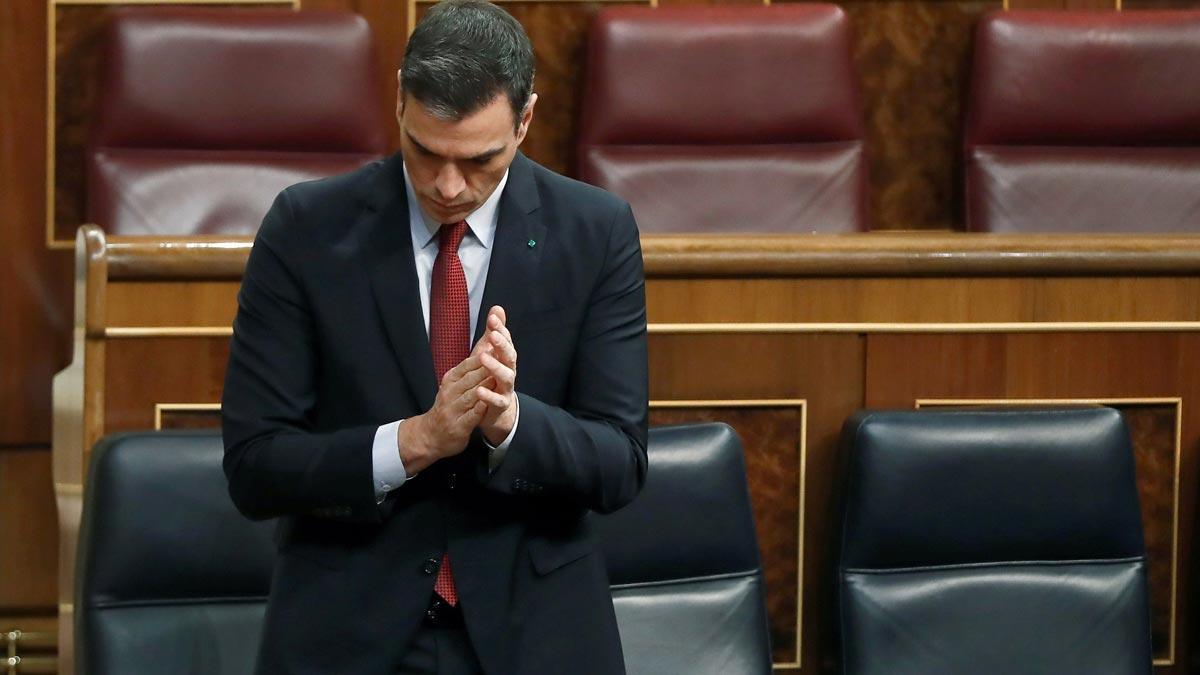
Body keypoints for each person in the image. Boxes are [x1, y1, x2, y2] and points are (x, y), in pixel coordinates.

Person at [220, 1, 649, 673]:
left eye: (479, 161)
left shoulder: (595, 232)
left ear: (525, 120)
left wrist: (511, 424)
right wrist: (416, 440)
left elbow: (620, 461)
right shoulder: (307, 230)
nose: (448, 186)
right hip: (346, 628)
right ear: (398, 101)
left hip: (535, 631)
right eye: (425, 152)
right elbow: (254, 467)